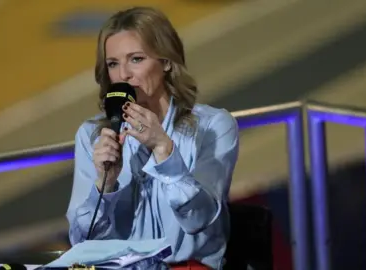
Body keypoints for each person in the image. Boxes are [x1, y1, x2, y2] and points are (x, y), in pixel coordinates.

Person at [66, 6, 239, 270]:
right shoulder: (92, 135)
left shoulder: (213, 126)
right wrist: (104, 185)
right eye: (113, 64)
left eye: (136, 59)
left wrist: (163, 150)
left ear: (166, 61)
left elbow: (200, 219)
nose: (123, 74)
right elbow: (82, 241)